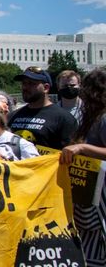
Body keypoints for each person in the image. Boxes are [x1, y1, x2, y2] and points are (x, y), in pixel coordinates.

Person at [57, 68, 106, 265]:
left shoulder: (103, 118)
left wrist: (83, 147)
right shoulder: (92, 117)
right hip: (91, 193)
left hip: (101, 193)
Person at [9, 66, 78, 149]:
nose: (25, 88)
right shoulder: (12, 116)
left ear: (46, 88)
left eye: (31, 83)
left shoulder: (64, 119)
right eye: (24, 83)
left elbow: (72, 154)